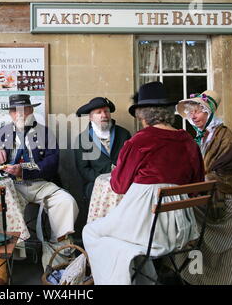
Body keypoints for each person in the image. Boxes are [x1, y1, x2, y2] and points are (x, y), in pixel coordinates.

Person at [82, 81, 205, 285]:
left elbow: (119, 186)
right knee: (118, 238)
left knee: (91, 231)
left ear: (142, 114)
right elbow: (196, 185)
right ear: (167, 112)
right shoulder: (188, 141)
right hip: (182, 229)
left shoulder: (139, 141)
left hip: (145, 229)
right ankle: (146, 279)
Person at [0, 94, 79, 285]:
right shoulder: (3, 132)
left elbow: (52, 163)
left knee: (66, 202)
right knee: (2, 210)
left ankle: (58, 261)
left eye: (23, 109)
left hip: (40, 183)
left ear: (31, 110)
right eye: (14, 111)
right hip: (12, 186)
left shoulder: (45, 132)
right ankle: (1, 269)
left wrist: (24, 170)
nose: (19, 114)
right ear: (9, 114)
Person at [176, 90, 232, 285]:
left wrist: (191, 177)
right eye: (190, 112)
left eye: (197, 111)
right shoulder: (203, 136)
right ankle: (194, 270)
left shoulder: (224, 137)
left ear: (209, 111)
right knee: (182, 210)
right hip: (216, 191)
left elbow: (213, 172)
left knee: (185, 212)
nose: (193, 116)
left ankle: (211, 274)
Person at [74, 97, 131, 200]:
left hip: (123, 180)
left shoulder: (124, 134)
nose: (104, 115)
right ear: (90, 117)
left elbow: (131, 161)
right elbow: (84, 169)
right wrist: (104, 180)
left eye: (106, 111)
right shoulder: (82, 139)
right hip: (96, 183)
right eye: (98, 112)